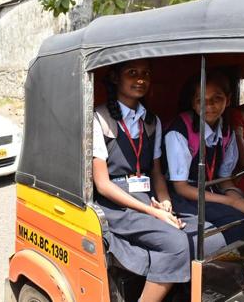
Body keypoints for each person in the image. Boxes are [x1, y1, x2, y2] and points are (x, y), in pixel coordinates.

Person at [93, 59, 222, 302]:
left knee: (205, 232)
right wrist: (152, 212)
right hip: (116, 203)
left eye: (145, 74)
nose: (140, 79)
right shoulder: (99, 119)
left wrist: (164, 203)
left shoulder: (152, 121)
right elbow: (102, 184)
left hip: (147, 193)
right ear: (114, 78)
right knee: (176, 242)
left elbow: (156, 172)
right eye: (132, 73)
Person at [164, 71, 244, 245]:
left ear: (228, 100)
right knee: (236, 225)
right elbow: (181, 188)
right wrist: (230, 202)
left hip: (211, 190)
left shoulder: (226, 131)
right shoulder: (179, 131)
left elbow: (224, 180)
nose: (210, 105)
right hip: (184, 197)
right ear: (193, 103)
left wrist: (238, 197)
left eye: (217, 98)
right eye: (201, 100)